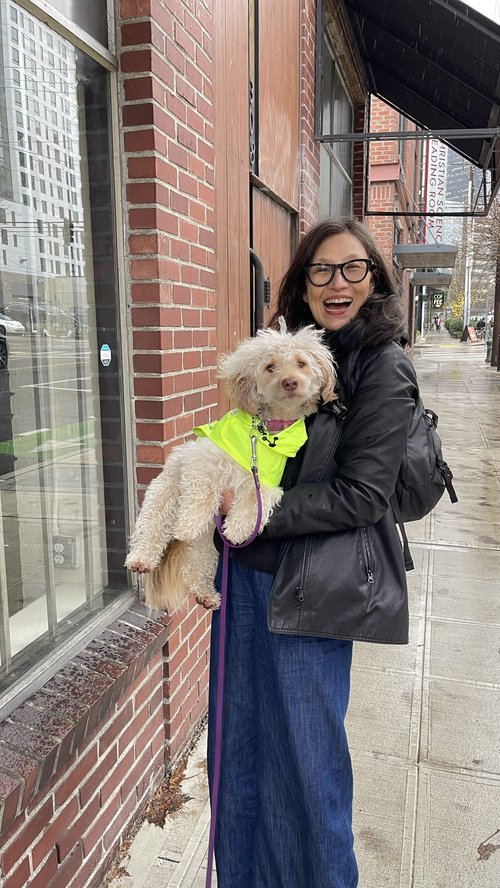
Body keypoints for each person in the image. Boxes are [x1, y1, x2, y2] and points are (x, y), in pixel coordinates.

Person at [208, 217, 419, 888]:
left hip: (312, 593)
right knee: (239, 752)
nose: (336, 283)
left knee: (306, 765)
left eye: (353, 268)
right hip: (244, 581)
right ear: (302, 284)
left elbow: (361, 494)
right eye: (321, 270)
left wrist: (252, 512)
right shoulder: (275, 355)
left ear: (374, 279)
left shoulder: (381, 366)